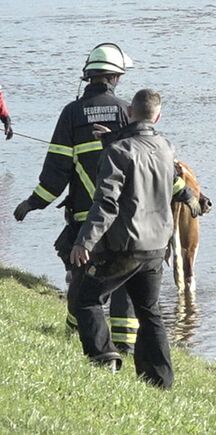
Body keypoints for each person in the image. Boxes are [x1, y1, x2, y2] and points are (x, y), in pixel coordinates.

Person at [14, 43, 141, 353]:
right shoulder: (127, 112)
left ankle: (81, 334)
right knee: (123, 282)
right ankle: (125, 346)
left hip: (85, 219)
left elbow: (56, 171)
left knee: (84, 282)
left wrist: (32, 203)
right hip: (124, 218)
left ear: (88, 76)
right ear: (116, 78)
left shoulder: (71, 114)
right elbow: (144, 167)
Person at [70, 88, 184, 389]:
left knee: (87, 300)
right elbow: (160, 172)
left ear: (130, 112)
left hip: (124, 247)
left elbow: (106, 203)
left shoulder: (117, 152)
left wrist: (85, 241)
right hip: (157, 247)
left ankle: (104, 357)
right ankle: (160, 381)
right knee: (150, 312)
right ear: (157, 116)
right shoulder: (166, 147)